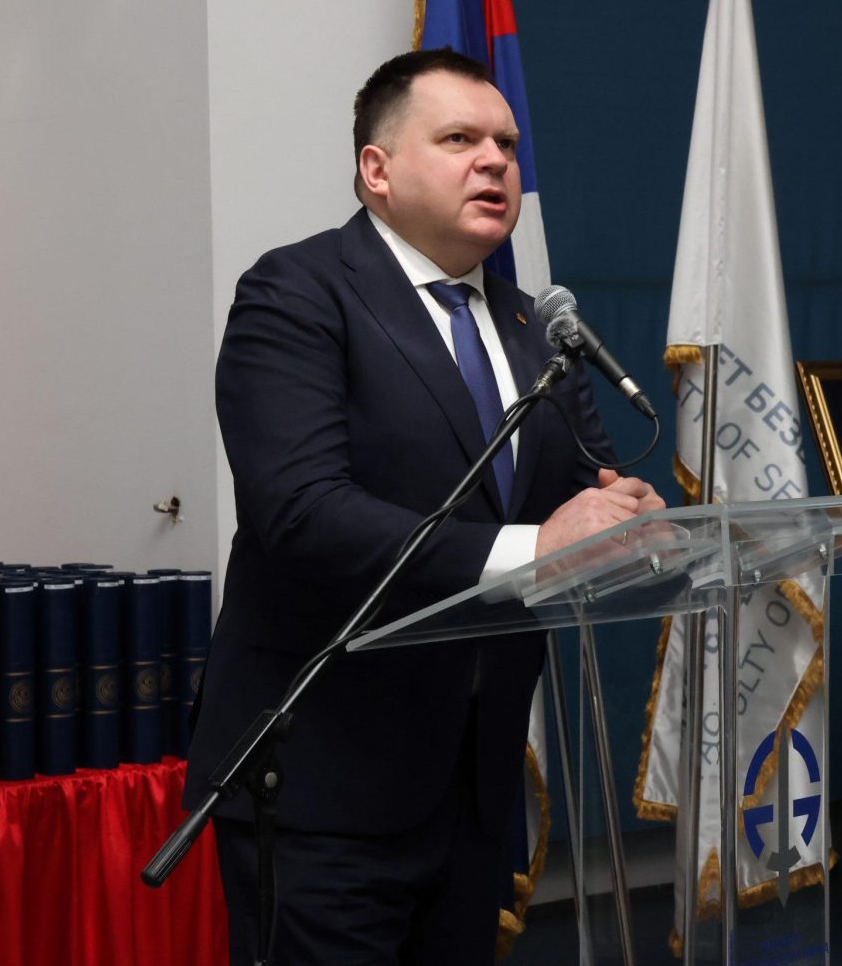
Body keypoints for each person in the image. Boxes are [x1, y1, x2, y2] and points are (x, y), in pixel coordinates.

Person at [184, 48, 663, 964]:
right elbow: (302, 513)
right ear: (378, 170)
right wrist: (535, 547)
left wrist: (627, 514)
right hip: (324, 786)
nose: (495, 162)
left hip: (473, 788)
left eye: (507, 145)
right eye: (459, 140)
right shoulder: (298, 294)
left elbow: (586, 491)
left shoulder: (535, 326)